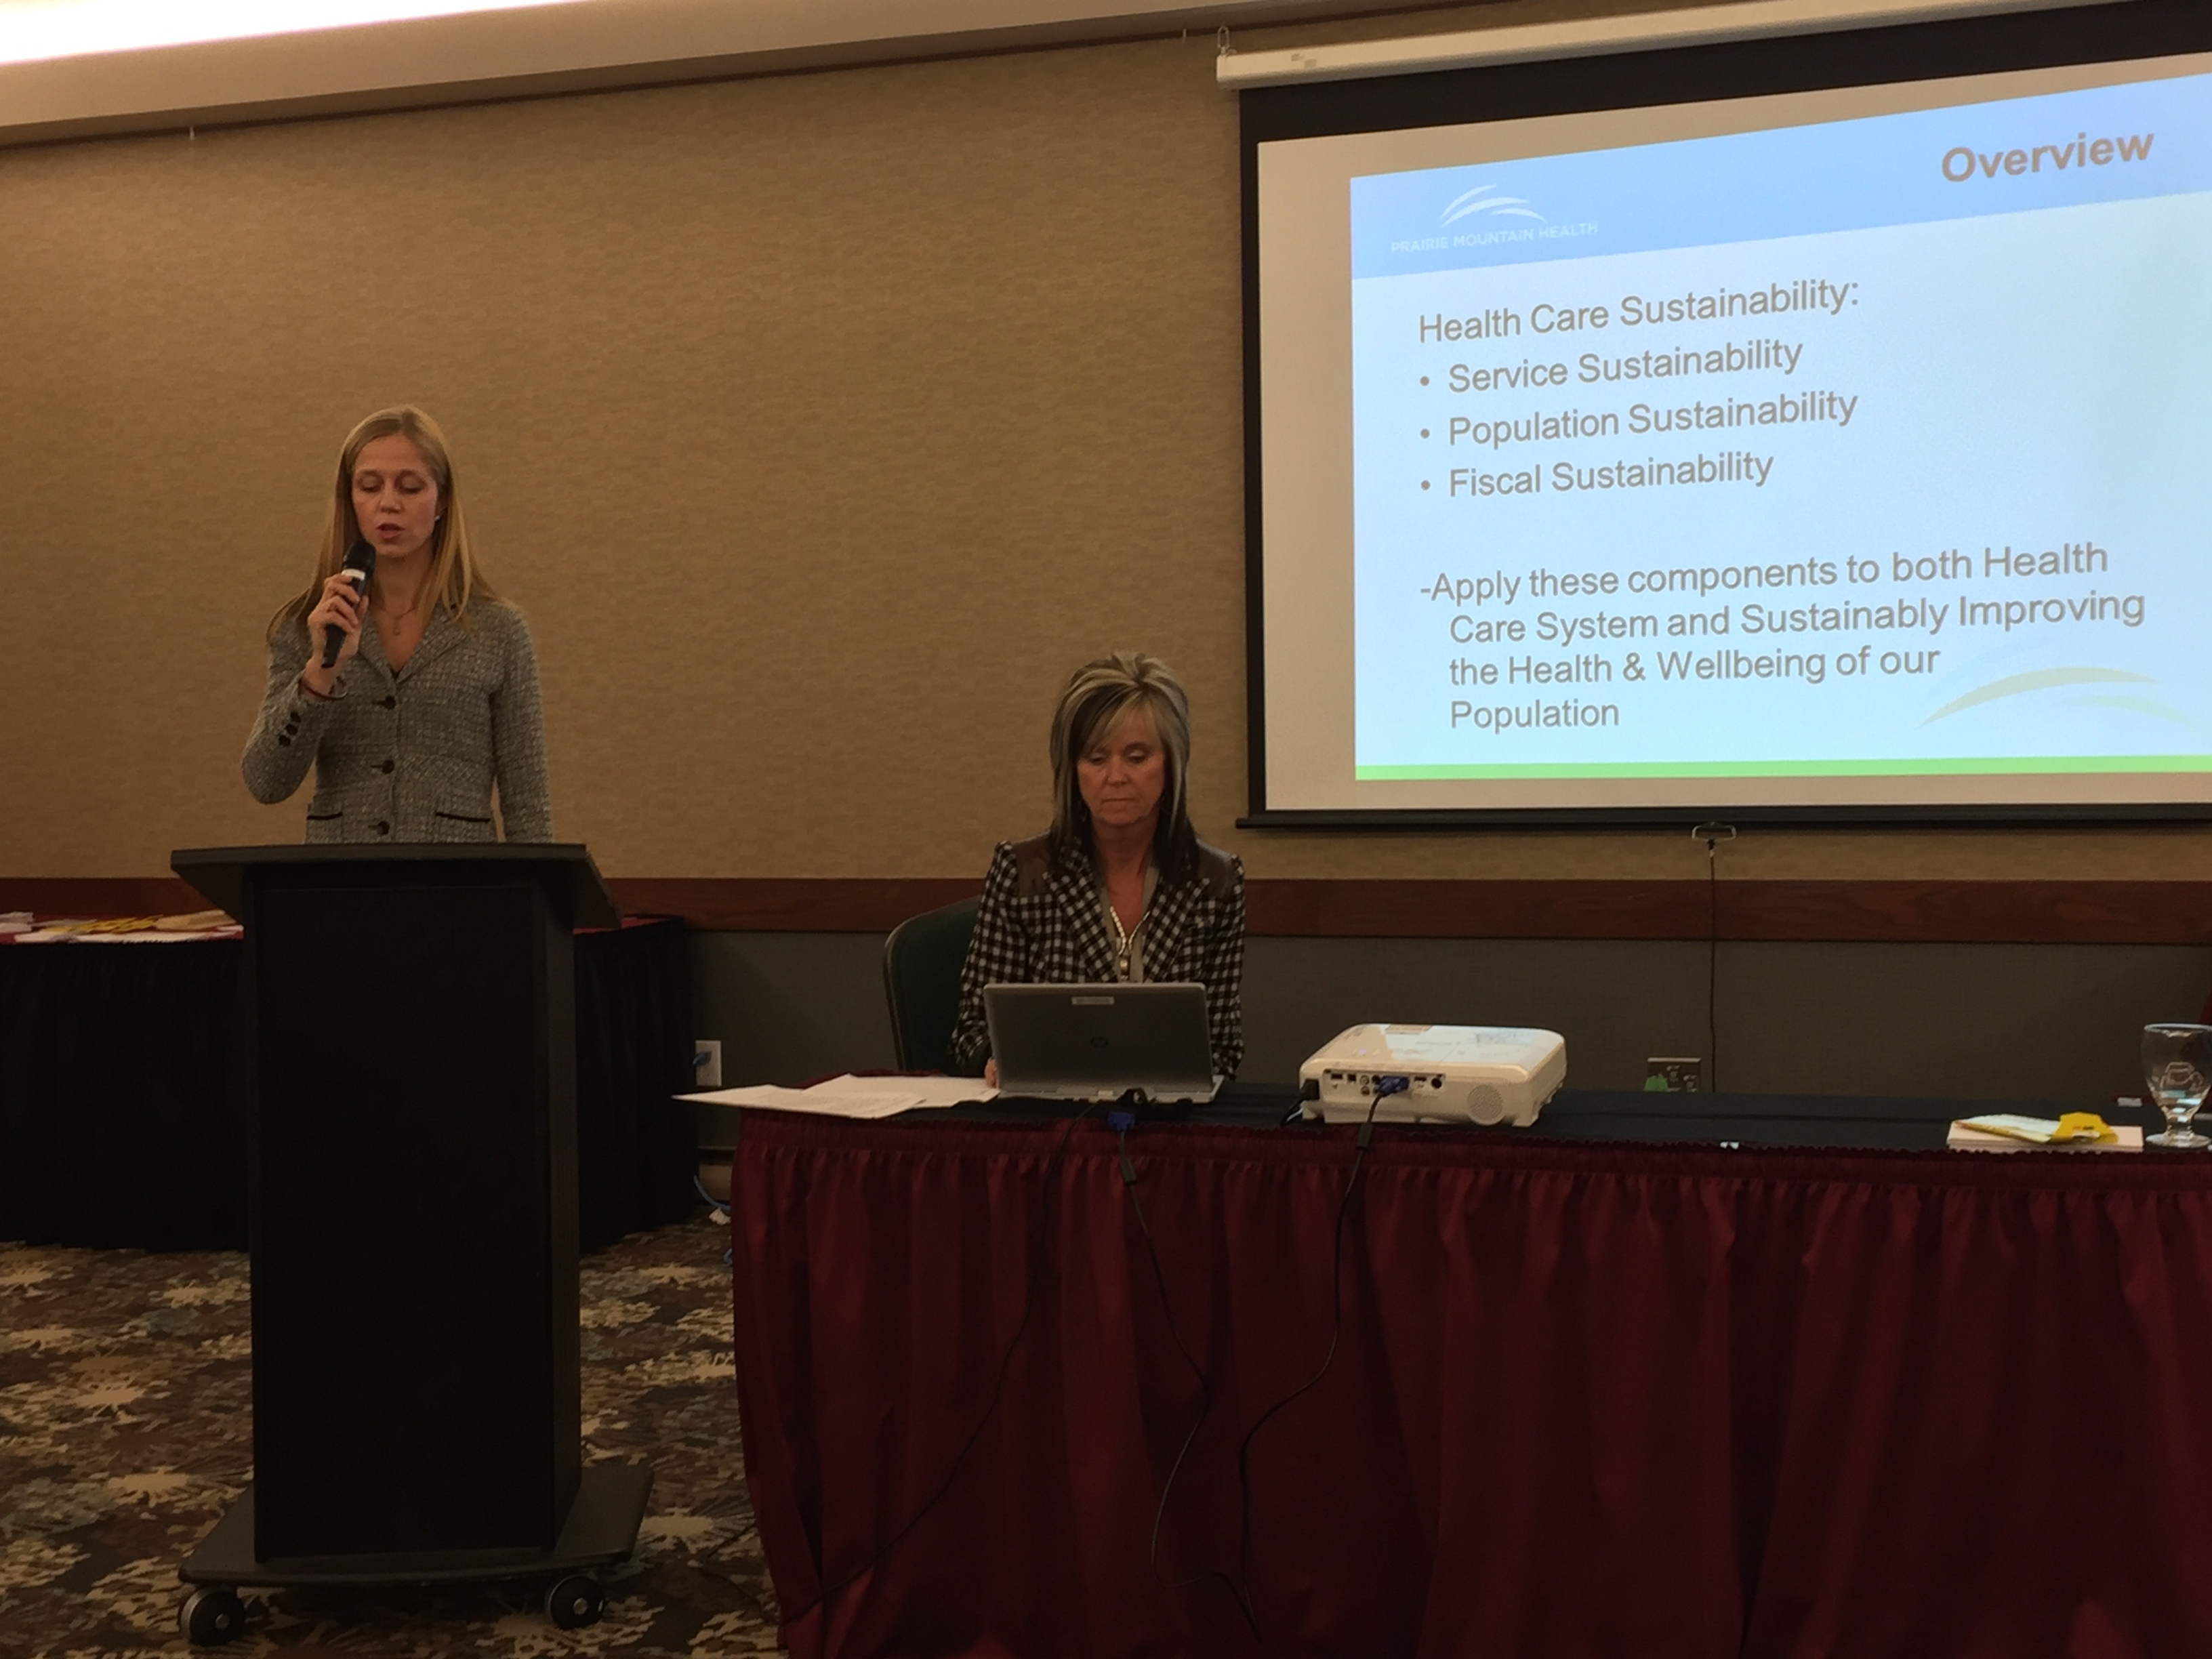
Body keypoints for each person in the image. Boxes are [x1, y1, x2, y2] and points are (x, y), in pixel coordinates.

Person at [241, 406, 552, 843]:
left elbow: (528, 800)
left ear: (441, 500)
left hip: (459, 888)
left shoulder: (498, 630)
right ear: (350, 498)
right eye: (369, 486)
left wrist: (537, 903)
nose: (388, 502)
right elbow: (266, 782)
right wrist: (320, 673)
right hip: (342, 887)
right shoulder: (307, 624)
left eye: (410, 487)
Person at [951, 651, 1246, 1083]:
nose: (1116, 776)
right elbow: (972, 1032)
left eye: (1137, 756)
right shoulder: (1024, 874)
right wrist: (995, 1061)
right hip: (1048, 1114)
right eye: (1096, 759)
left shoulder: (1216, 882)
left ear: (1172, 766)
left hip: (1163, 1117)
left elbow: (1222, 1047)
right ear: (1073, 771)